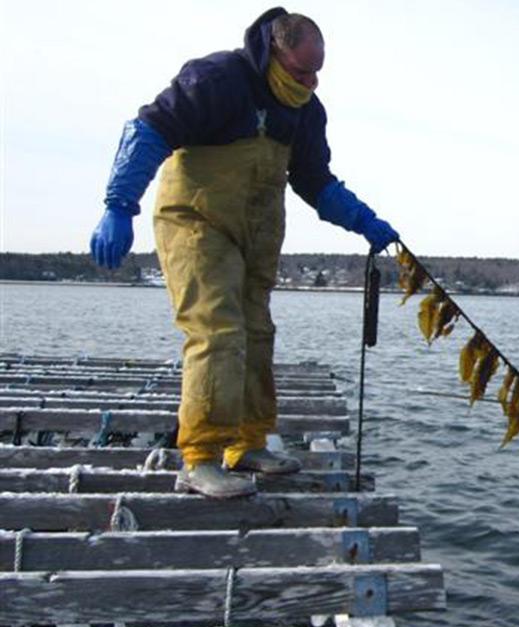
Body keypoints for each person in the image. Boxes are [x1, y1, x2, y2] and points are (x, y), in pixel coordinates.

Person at [88, 8, 398, 498]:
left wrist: (363, 220)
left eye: (318, 71)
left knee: (257, 333)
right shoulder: (217, 79)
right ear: (274, 52)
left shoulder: (306, 111)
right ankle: (201, 458)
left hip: (257, 235)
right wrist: (118, 204)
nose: (311, 81)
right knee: (218, 329)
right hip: (197, 224)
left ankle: (247, 445)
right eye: (301, 71)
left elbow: (315, 180)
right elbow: (148, 129)